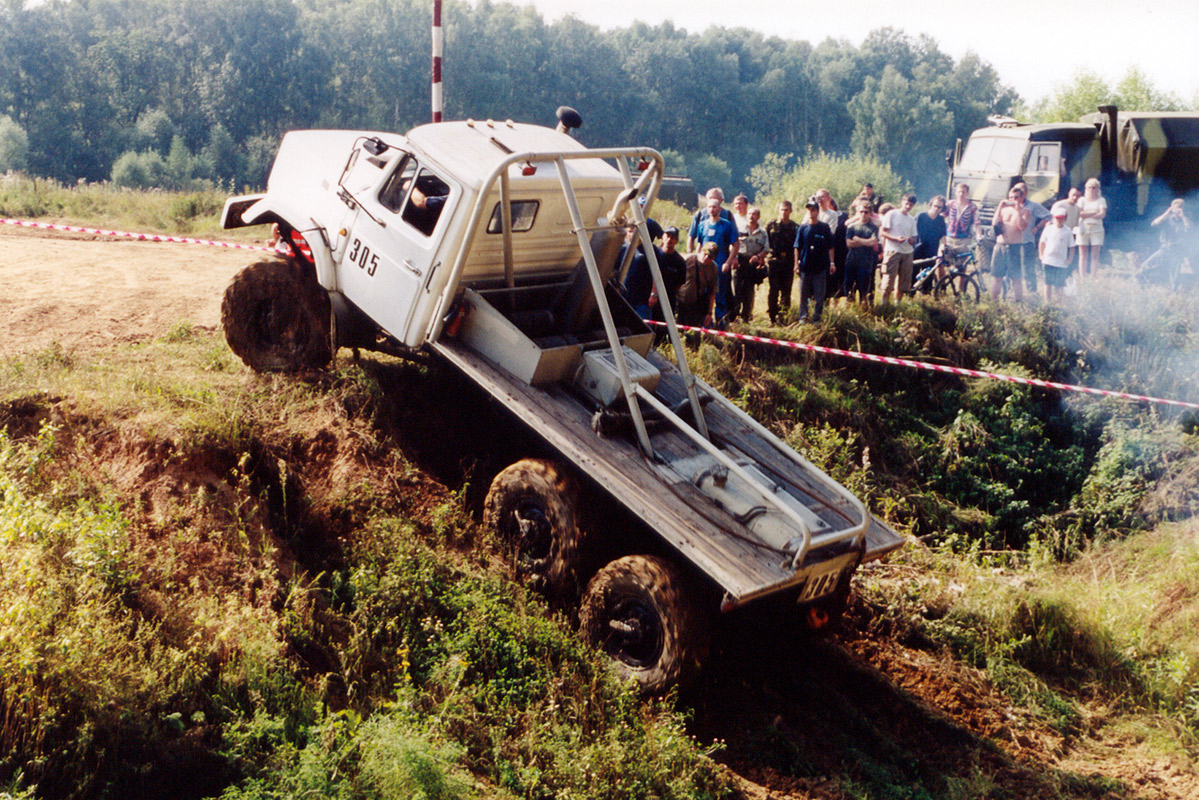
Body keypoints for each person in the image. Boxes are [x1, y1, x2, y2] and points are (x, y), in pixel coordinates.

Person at [694, 195, 740, 324]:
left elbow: (736, 245)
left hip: (720, 266)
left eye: (714, 207)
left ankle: (721, 323)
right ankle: (705, 323)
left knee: (720, 296)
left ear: (720, 209)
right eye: (709, 207)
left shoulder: (727, 225)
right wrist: (696, 259)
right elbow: (699, 244)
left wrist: (728, 262)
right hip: (704, 266)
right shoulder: (702, 225)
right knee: (703, 295)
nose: (712, 209)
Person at [793, 197, 836, 324]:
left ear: (817, 211)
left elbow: (830, 246)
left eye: (813, 210)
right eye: (809, 210)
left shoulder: (824, 227)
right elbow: (797, 247)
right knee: (803, 294)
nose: (811, 212)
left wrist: (832, 262)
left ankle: (817, 318)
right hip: (805, 266)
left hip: (820, 267)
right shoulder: (803, 228)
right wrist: (796, 264)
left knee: (820, 295)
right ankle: (803, 317)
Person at [990, 184, 1032, 302]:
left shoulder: (1025, 212)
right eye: (1011, 198)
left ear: (1022, 197)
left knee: (1016, 277)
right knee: (997, 276)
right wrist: (999, 207)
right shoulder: (1003, 210)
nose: (1013, 200)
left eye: (1016, 197)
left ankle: (1018, 302)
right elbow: (994, 223)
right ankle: (994, 301)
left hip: (1014, 247)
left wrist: (1017, 210)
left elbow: (1022, 226)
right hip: (1000, 245)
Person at [1140, 198, 1191, 287]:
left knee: (1174, 276)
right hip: (1165, 248)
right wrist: (1167, 213)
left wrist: (1182, 216)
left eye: (1178, 209)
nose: (1176, 212)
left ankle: (1173, 294)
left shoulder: (1185, 220)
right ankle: (1148, 285)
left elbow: (1190, 228)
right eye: (1174, 209)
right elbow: (1154, 224)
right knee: (1146, 266)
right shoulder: (1167, 218)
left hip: (1177, 250)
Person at [732, 206, 769, 322]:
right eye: (749, 214)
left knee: (749, 290)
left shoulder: (762, 233)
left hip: (752, 263)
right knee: (736, 289)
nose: (751, 217)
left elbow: (766, 249)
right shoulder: (740, 229)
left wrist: (758, 256)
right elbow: (733, 245)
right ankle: (733, 316)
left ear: (758, 217)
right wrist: (734, 258)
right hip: (740, 261)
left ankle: (746, 316)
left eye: (754, 214)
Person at [879, 193, 918, 302]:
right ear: (902, 202)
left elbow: (914, 238)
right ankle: (884, 305)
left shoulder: (911, 219)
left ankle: (898, 305)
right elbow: (882, 232)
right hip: (893, 251)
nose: (908, 207)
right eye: (906, 204)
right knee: (888, 281)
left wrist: (911, 240)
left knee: (903, 283)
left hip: (907, 252)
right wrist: (895, 238)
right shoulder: (892, 214)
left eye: (910, 205)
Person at [765, 200, 799, 324]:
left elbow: (797, 246)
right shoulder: (771, 225)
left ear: (791, 211)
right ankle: (772, 316)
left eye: (786, 210)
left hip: (788, 262)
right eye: (782, 209)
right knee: (773, 290)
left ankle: (783, 316)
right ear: (778, 210)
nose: (784, 212)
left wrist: (796, 262)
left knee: (786, 291)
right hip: (774, 261)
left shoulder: (795, 227)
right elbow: (765, 242)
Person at [1014, 182, 1051, 295]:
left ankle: (1032, 291)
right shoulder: (1011, 204)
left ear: (1026, 193)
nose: (1018, 194)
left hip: (1027, 241)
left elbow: (1049, 216)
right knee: (1013, 267)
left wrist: (1037, 227)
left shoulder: (1033, 206)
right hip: (1013, 241)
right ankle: (1012, 290)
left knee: (1029, 267)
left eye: (1021, 191)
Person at [843, 197, 879, 307]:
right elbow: (849, 243)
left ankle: (863, 314)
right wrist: (865, 242)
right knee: (849, 291)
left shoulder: (873, 227)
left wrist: (858, 240)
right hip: (851, 262)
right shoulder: (852, 227)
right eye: (861, 211)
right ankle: (850, 313)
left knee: (864, 292)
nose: (863, 214)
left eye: (866, 212)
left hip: (865, 264)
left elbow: (872, 242)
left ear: (870, 213)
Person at [650, 226, 688, 327]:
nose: (669, 239)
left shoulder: (680, 262)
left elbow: (680, 283)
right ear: (663, 237)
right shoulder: (653, 254)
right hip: (651, 297)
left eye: (673, 237)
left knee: (664, 327)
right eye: (667, 236)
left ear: (677, 241)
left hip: (668, 299)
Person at [675, 242, 719, 328]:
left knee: (693, 333)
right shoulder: (688, 259)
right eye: (705, 254)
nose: (706, 258)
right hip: (679, 301)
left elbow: (712, 293)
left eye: (710, 257)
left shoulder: (713, 268)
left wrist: (709, 313)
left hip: (695, 304)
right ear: (701, 251)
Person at [1039, 201, 1075, 302]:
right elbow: (1042, 242)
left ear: (1065, 219)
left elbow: (1072, 246)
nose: (1059, 220)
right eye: (1057, 218)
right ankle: (1048, 302)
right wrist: (1041, 255)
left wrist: (1070, 259)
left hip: (1061, 262)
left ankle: (1059, 302)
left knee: (1059, 284)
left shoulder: (1068, 231)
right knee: (1048, 283)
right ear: (1054, 218)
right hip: (1048, 260)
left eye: (1061, 218)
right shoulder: (1048, 229)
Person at [1077, 178, 1107, 282]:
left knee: (1095, 255)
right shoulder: (1081, 200)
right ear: (1086, 189)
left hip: (1097, 230)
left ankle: (1093, 278)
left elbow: (1102, 214)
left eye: (1094, 187)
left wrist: (1087, 213)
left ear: (1097, 189)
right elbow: (1079, 213)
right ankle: (1082, 279)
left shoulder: (1101, 200)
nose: (1091, 189)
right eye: (1089, 187)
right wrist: (1094, 212)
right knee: (1082, 255)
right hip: (1083, 229)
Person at [687, 187, 734, 251]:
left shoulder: (728, 215)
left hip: (722, 257)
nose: (712, 200)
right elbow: (691, 236)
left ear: (721, 200)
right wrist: (689, 253)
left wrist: (734, 257)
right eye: (710, 198)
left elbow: (735, 241)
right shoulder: (700, 215)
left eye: (714, 198)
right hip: (704, 256)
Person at [914, 195, 947, 266]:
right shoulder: (920, 216)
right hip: (917, 250)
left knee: (929, 276)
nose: (936, 208)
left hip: (932, 252)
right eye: (935, 206)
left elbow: (943, 238)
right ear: (931, 204)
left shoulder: (941, 220)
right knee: (914, 275)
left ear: (942, 208)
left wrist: (941, 252)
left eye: (939, 207)